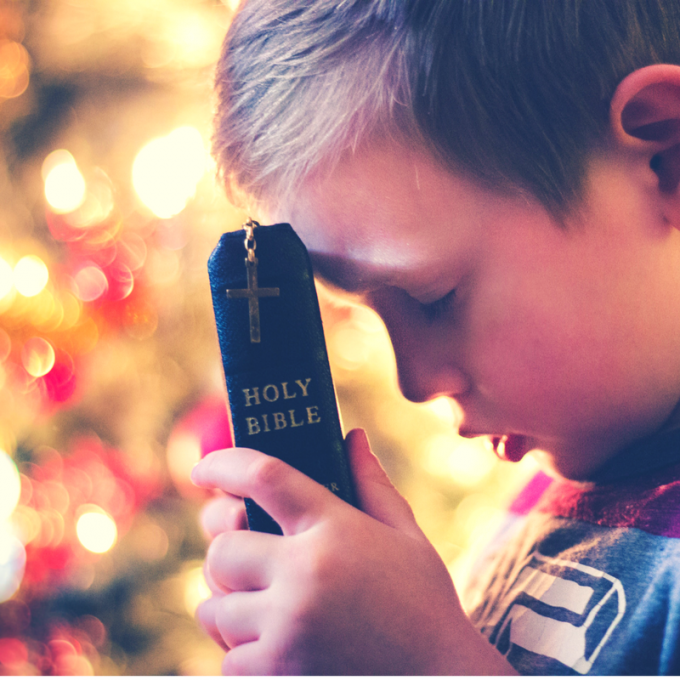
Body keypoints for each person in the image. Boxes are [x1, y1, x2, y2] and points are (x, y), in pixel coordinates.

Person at [191, 0, 680, 674]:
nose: (414, 382)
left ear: (666, 159)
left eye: (435, 298)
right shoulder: (550, 500)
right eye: (368, 314)